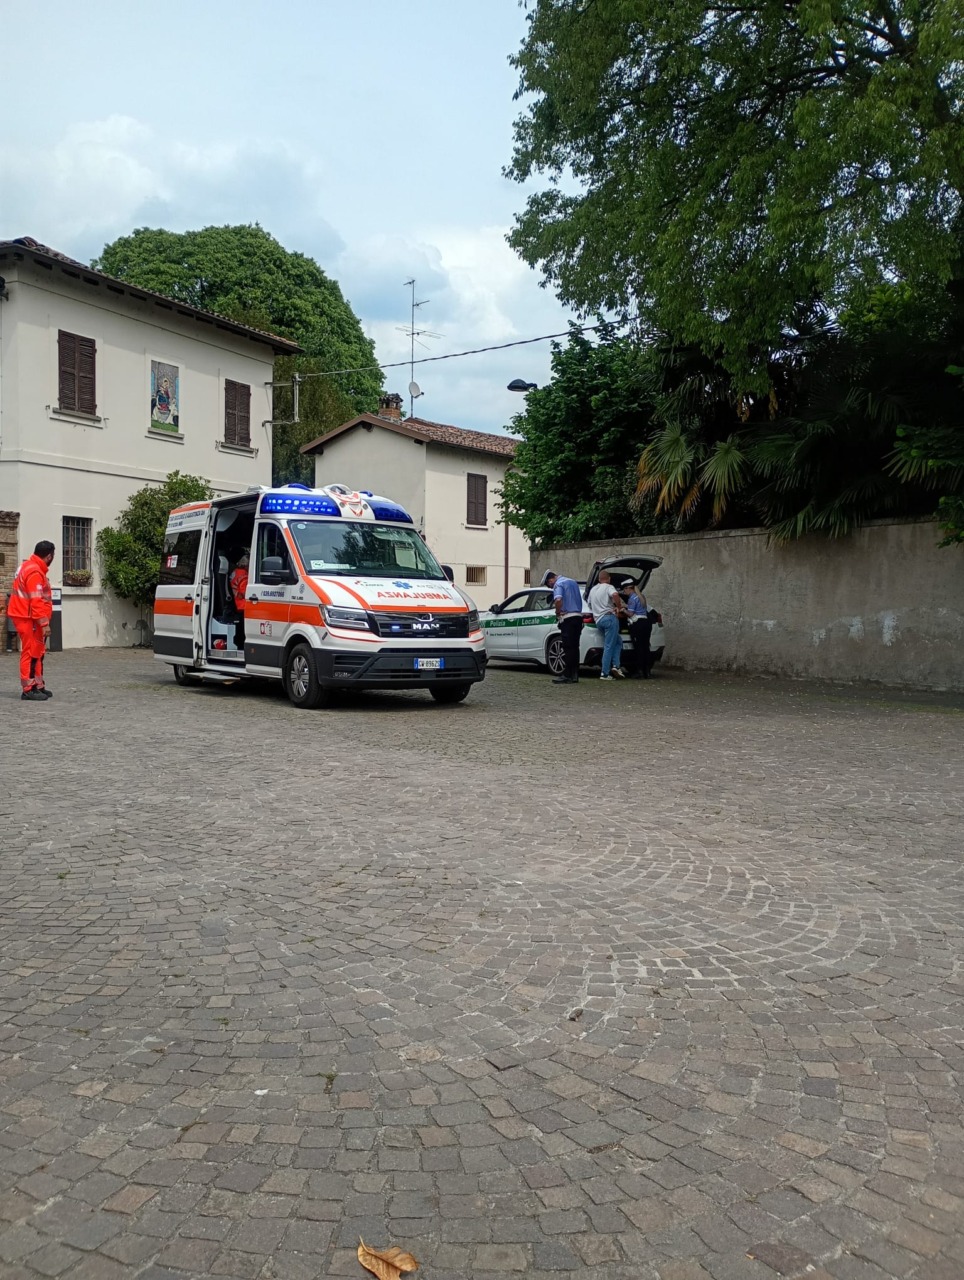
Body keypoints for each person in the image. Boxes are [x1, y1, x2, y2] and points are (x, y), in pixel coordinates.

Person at [8, 540, 55, 700]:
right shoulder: (34, 571)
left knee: (38, 652)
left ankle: (38, 685)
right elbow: (36, 600)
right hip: (27, 617)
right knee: (30, 651)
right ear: (49, 556)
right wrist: (44, 623)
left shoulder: (30, 567)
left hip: (28, 616)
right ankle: (28, 689)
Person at [541, 569, 583, 684]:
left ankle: (567, 675)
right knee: (575, 647)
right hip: (578, 617)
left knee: (567, 647)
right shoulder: (573, 582)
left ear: (550, 580)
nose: (550, 587)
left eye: (549, 585)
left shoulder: (558, 584)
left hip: (568, 618)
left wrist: (558, 612)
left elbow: (558, 599)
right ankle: (575, 674)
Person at [587, 569, 626, 680]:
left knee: (618, 642)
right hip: (609, 618)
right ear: (609, 579)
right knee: (609, 645)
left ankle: (616, 666)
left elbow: (589, 604)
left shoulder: (593, 590)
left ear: (599, 579)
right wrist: (618, 607)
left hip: (599, 620)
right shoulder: (609, 587)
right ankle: (604, 673)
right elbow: (615, 594)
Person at [622, 581, 653, 679]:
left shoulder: (632, 599)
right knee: (646, 647)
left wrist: (623, 610)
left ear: (629, 588)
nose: (624, 592)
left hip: (637, 624)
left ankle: (639, 671)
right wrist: (627, 606)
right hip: (646, 623)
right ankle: (647, 671)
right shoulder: (640, 597)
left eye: (624, 589)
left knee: (639, 648)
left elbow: (630, 613)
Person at [229, 552, 249, 651]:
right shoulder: (244, 575)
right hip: (242, 605)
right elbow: (245, 593)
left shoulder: (234, 572)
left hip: (235, 604)